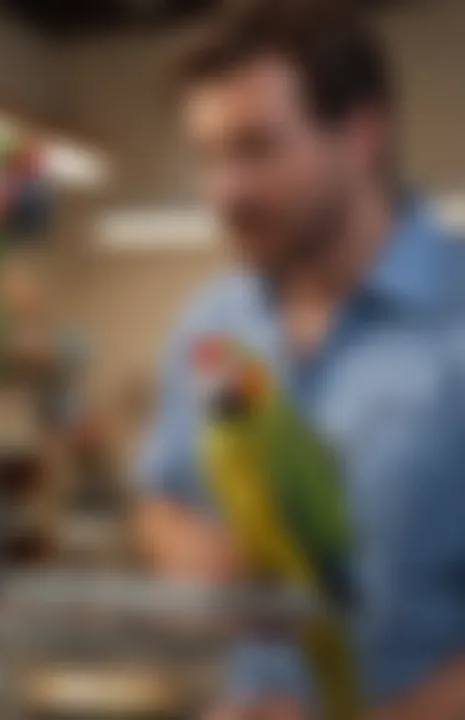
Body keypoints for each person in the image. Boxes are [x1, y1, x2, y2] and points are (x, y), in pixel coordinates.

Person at [137, 2, 465, 718]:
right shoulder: (210, 325)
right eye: (207, 157)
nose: (225, 192)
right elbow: (164, 495)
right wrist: (187, 553)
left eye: (256, 148)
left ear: (363, 135)